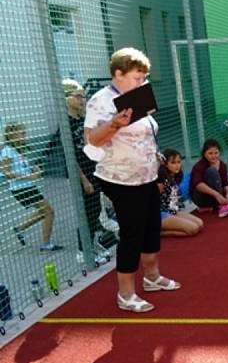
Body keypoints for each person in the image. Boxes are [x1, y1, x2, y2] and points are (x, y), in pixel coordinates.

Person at [84, 47, 181, 313]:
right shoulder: (100, 101)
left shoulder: (138, 94)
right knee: (132, 234)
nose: (142, 81)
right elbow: (92, 140)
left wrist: (155, 155)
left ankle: (152, 278)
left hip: (146, 174)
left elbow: (146, 130)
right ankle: (125, 294)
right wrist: (115, 124)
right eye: (138, 77)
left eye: (144, 76)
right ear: (118, 73)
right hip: (121, 178)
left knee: (151, 228)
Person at [63, 79, 110, 265]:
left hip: (94, 169)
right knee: (87, 212)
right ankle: (83, 251)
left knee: (95, 209)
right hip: (82, 174)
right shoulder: (65, 124)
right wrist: (84, 180)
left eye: (83, 96)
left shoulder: (82, 121)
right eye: (78, 96)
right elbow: (71, 158)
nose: (82, 100)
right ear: (67, 98)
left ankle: (90, 244)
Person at [1, 123, 63, 252]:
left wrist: (35, 170)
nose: (25, 136)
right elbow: (6, 173)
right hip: (21, 189)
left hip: (28, 186)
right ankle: (46, 244)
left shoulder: (19, 148)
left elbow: (23, 168)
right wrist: (30, 176)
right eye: (22, 133)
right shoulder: (7, 151)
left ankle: (20, 228)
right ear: (12, 135)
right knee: (49, 212)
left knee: (44, 212)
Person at [190, 138, 228, 217]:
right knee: (212, 172)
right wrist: (217, 195)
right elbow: (198, 184)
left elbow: (225, 183)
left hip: (216, 195)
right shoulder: (199, 166)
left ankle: (211, 207)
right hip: (201, 196)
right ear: (204, 154)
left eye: (216, 153)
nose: (213, 156)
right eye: (210, 153)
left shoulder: (222, 165)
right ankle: (222, 207)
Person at [158, 148, 204, 237]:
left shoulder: (175, 177)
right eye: (173, 163)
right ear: (165, 164)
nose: (177, 165)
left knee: (200, 224)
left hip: (172, 211)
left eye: (178, 162)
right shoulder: (161, 181)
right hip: (159, 214)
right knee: (192, 229)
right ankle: (158, 233)